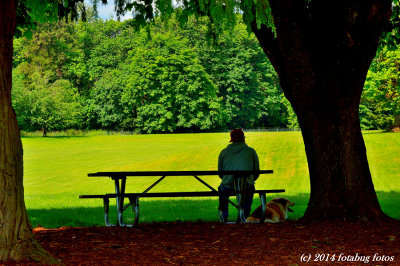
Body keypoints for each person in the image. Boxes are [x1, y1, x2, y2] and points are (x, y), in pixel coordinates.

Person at [218, 128, 260, 222]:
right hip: (246, 186)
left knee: (222, 190)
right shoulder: (251, 151)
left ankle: (223, 216)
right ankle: (244, 216)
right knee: (249, 189)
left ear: (231, 139)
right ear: (243, 138)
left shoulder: (224, 152)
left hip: (228, 185)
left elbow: (220, 173)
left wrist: (228, 179)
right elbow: (256, 172)